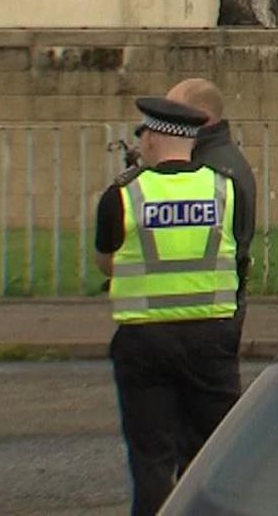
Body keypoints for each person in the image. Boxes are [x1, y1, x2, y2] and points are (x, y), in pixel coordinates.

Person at [97, 97, 244, 516]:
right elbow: (236, 248)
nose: (140, 142)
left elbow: (106, 260)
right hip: (211, 340)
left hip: (145, 342)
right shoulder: (225, 188)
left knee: (151, 462)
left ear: (153, 138)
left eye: (143, 134)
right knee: (215, 457)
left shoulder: (123, 194)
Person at [169, 78, 256, 321]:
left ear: (203, 117)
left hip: (207, 308)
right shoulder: (219, 159)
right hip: (214, 304)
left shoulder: (212, 170)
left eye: (174, 113)